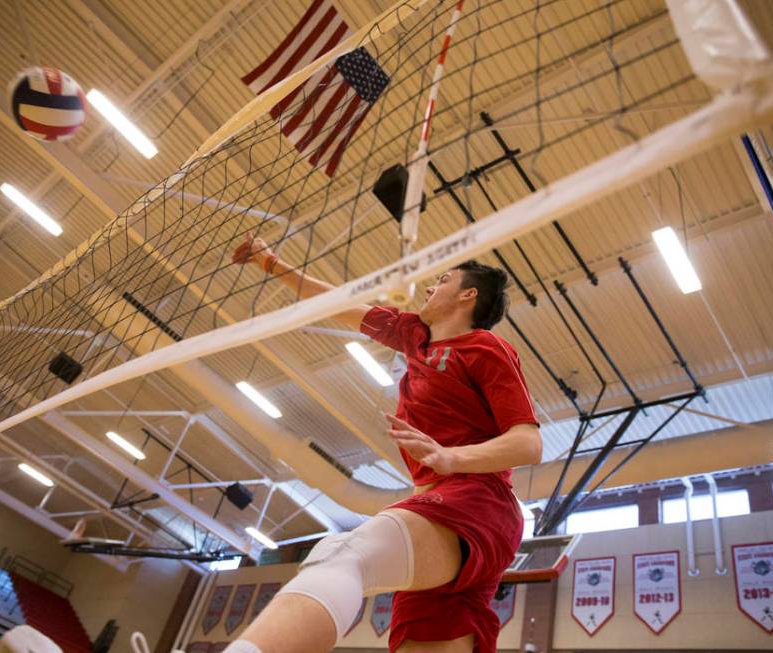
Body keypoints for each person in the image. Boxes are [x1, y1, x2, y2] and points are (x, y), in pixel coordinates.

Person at [227, 234, 541, 653]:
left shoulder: (483, 347)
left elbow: (528, 443)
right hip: (442, 519)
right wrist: (271, 264)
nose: (430, 287)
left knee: (341, 554)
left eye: (444, 280)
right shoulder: (413, 336)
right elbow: (335, 304)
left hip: (476, 502)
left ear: (469, 295)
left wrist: (451, 458)